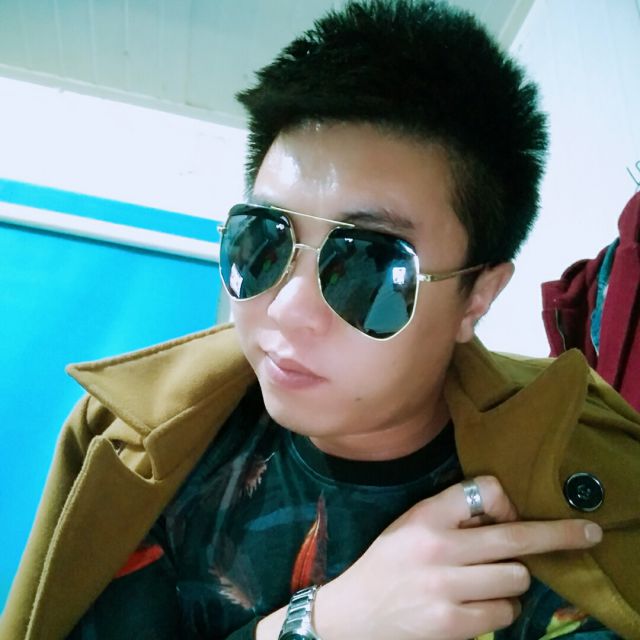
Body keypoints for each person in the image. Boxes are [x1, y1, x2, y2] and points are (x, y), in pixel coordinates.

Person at [2, 1, 639, 639]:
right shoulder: (131, 444)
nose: (286, 310)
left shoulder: (587, 505)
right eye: (263, 240)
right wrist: (319, 626)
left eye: (369, 265)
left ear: (478, 297)